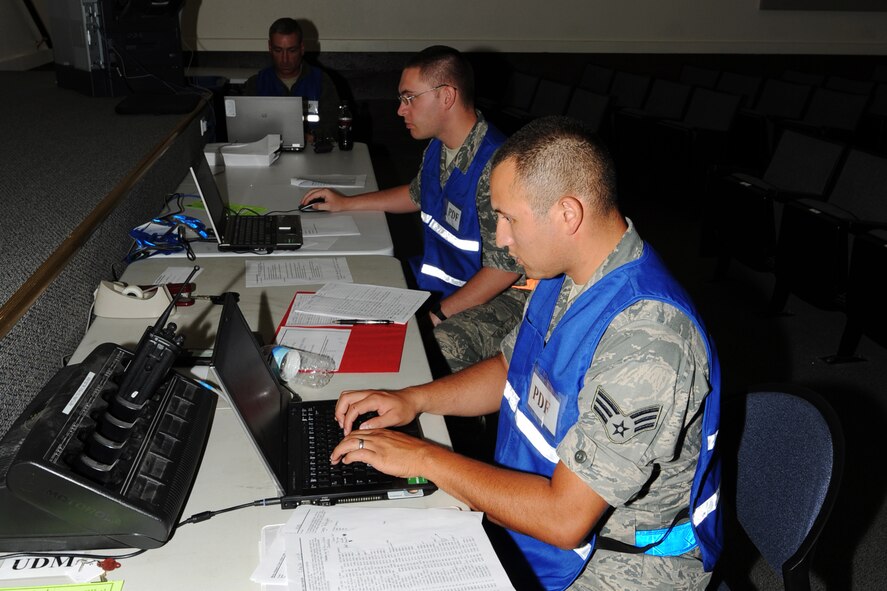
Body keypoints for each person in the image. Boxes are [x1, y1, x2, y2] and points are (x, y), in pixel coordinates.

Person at [329, 116, 723, 590]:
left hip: (621, 559)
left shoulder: (647, 341)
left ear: (567, 214)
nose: (500, 239)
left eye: (509, 218)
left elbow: (564, 519)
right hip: (547, 514)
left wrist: (424, 458)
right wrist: (415, 400)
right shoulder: (564, 275)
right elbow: (510, 368)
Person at [300, 45, 527, 374]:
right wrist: (346, 203)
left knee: (429, 349)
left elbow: (504, 270)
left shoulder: (498, 165)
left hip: (498, 299)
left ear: (446, 96)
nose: (400, 111)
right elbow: (416, 194)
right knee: (357, 286)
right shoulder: (439, 146)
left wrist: (438, 313)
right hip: (445, 282)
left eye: (409, 98)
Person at [243, 17, 341, 141]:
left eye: (292, 50)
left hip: (314, 155)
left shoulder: (321, 81)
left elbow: (335, 127)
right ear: (269, 47)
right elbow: (246, 130)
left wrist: (309, 138)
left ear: (302, 48)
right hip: (267, 157)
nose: (285, 59)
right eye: (278, 50)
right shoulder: (256, 84)